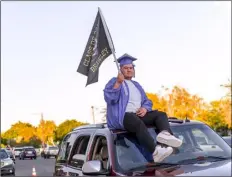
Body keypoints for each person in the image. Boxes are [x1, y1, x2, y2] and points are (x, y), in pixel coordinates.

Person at [103, 53, 183, 163]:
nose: (129, 70)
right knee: (137, 123)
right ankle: (155, 152)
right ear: (120, 70)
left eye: (131, 68)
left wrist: (145, 108)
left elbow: (146, 100)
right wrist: (118, 82)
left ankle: (165, 136)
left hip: (137, 115)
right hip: (122, 117)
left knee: (160, 115)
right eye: (126, 68)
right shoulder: (114, 81)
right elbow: (109, 98)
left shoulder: (137, 85)